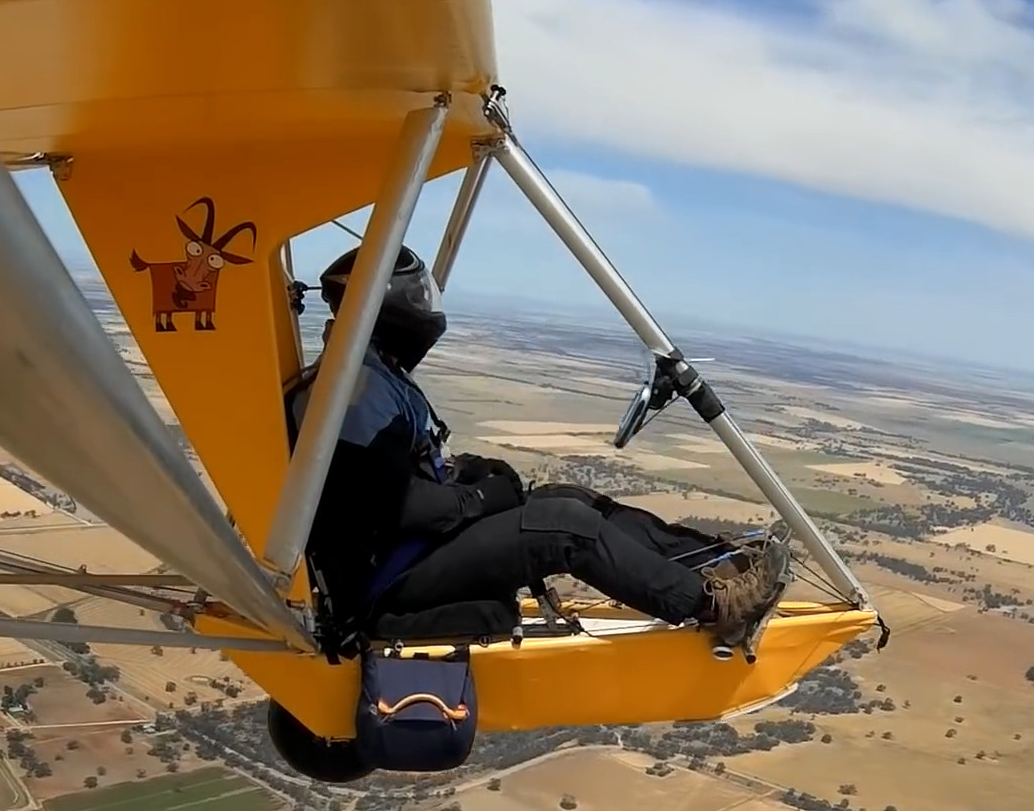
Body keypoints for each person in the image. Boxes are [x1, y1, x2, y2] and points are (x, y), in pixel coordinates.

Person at [286, 243, 789, 647]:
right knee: (562, 530)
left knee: (564, 500)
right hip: (387, 580)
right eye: (416, 298)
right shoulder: (351, 393)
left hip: (406, 554)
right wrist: (480, 497)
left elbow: (394, 474)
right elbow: (396, 508)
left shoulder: (368, 378)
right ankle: (716, 608)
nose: (425, 309)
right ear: (389, 308)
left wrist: (473, 472)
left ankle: (714, 564)